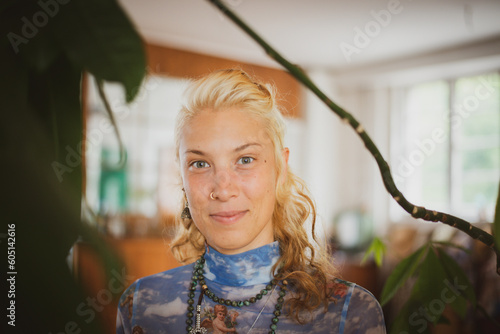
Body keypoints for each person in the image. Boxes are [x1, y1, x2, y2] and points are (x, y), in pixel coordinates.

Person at [116, 69, 386, 334]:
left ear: (280, 170)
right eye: (200, 163)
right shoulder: (141, 305)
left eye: (245, 160)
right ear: (183, 179)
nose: (223, 190)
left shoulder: (349, 314)